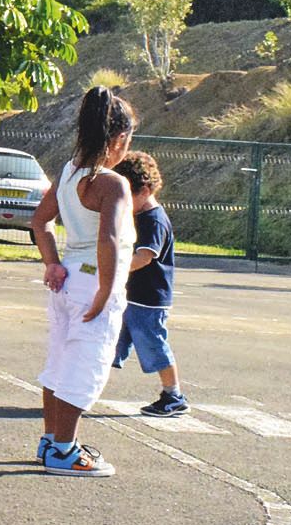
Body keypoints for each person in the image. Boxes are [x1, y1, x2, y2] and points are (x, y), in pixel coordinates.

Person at [30, 86, 137, 477]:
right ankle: (64, 449)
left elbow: (39, 221)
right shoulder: (113, 184)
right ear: (118, 139)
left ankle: (50, 440)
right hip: (94, 283)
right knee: (85, 365)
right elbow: (108, 238)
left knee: (59, 361)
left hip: (68, 280)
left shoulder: (69, 171)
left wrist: (53, 262)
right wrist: (108, 290)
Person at [112, 150, 187, 416]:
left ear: (144, 190)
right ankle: (87, 384)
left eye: (126, 193)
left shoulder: (154, 220)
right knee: (111, 339)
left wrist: (114, 269)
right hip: (131, 295)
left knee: (153, 344)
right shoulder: (136, 215)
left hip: (150, 299)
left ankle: (174, 395)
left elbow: (144, 257)